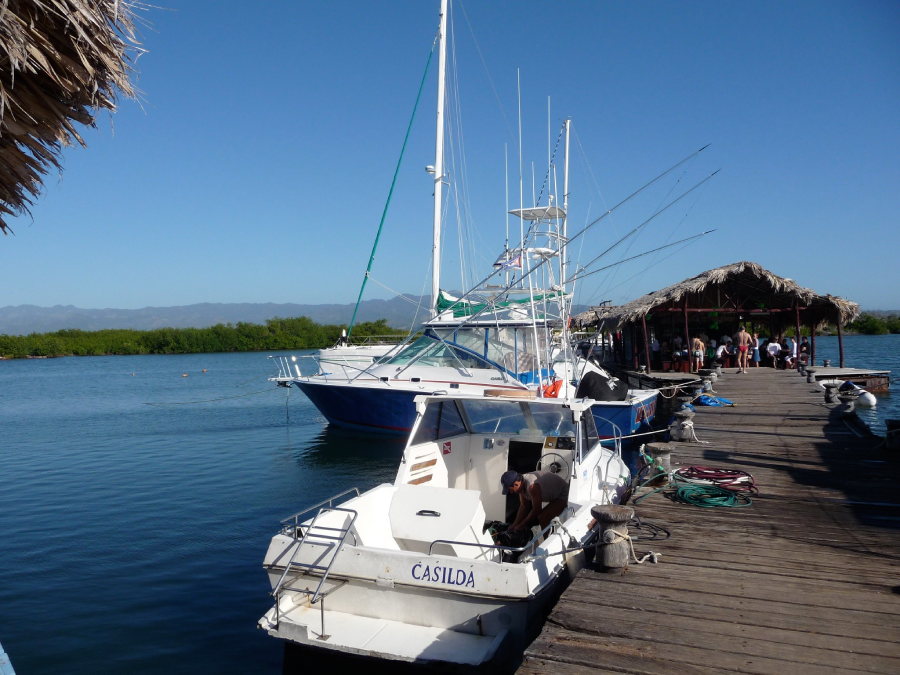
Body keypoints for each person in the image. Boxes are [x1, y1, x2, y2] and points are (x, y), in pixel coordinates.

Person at [501, 470, 569, 533]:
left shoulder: (532, 486)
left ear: (516, 484)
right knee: (541, 516)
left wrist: (522, 525)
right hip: (555, 496)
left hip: (565, 494)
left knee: (543, 517)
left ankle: (547, 543)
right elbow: (524, 506)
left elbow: (537, 509)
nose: (511, 492)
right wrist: (515, 525)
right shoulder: (521, 486)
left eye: (510, 490)